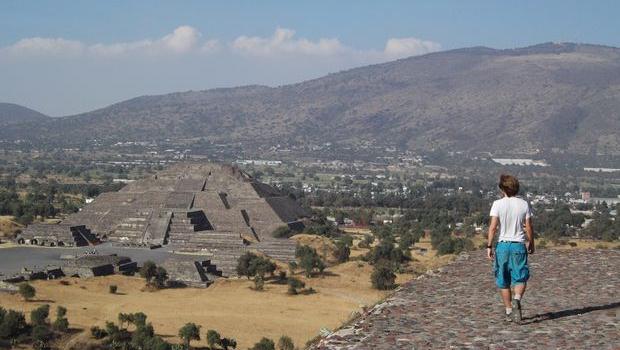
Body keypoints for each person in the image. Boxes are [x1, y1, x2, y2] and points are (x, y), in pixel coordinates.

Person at [487, 174, 534, 323]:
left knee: (503, 280)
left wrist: (489, 246)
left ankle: (508, 310)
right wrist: (531, 242)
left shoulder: (497, 204)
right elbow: (528, 227)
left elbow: (493, 227)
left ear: (502, 189)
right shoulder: (524, 204)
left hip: (502, 245)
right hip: (518, 245)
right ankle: (517, 299)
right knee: (520, 277)